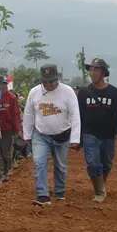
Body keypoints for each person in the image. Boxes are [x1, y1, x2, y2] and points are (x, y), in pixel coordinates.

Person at [23, 64, 81, 206]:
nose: (49, 84)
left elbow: (75, 115)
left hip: (62, 135)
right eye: (46, 81)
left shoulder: (68, 92)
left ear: (57, 79)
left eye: (52, 81)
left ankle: (60, 192)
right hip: (40, 134)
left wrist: (75, 138)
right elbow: (28, 114)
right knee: (39, 163)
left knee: (60, 166)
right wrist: (27, 135)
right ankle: (42, 195)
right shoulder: (34, 92)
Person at [77, 58, 117, 203]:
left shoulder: (114, 93)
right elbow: (78, 116)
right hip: (89, 134)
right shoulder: (84, 93)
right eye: (91, 69)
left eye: (96, 69)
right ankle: (99, 192)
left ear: (103, 73)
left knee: (106, 164)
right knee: (93, 162)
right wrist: (78, 139)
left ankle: (101, 185)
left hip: (108, 135)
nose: (92, 72)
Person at [0, 76, 22, 181]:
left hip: (7, 129)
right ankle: (1, 172)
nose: (3, 86)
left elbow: (15, 114)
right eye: (1, 84)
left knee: (6, 151)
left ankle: (8, 169)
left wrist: (17, 129)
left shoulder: (11, 98)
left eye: (4, 84)